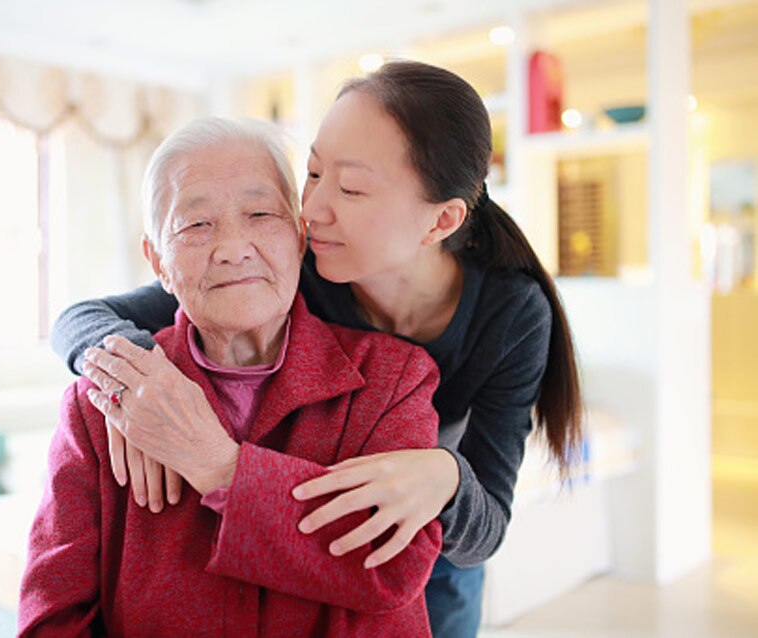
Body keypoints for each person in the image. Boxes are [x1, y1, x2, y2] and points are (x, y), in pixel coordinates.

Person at [52, 61, 582, 638]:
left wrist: (448, 478)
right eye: (312, 173)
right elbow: (84, 319)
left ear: (442, 220)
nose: (312, 209)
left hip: (432, 526)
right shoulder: (293, 262)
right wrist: (142, 381)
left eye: (351, 187)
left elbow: (485, 528)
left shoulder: (509, 317)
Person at [19, 117, 446, 637]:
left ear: (299, 235)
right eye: (196, 225)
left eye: (261, 213)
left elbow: (390, 567)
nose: (232, 247)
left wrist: (219, 466)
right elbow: (53, 619)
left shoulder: (393, 380)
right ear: (157, 260)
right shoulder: (97, 404)